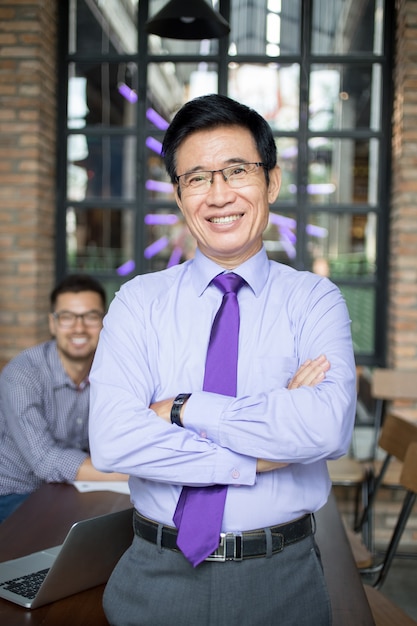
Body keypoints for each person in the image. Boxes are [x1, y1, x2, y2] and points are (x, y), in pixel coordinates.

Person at [89, 94, 356, 625]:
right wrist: (261, 451)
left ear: (271, 182)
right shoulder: (137, 302)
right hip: (154, 575)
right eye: (197, 178)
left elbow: (326, 430)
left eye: (237, 170)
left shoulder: (315, 300)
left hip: (282, 578)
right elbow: (114, 440)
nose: (219, 194)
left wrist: (186, 409)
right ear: (179, 195)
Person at [0, 274, 127, 523]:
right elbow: (44, 460)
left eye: (90, 317)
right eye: (67, 317)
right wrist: (134, 475)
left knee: (120, 528)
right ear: (53, 323)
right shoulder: (22, 374)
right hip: (14, 492)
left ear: (104, 322)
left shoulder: (115, 372)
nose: (79, 328)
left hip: (73, 489)